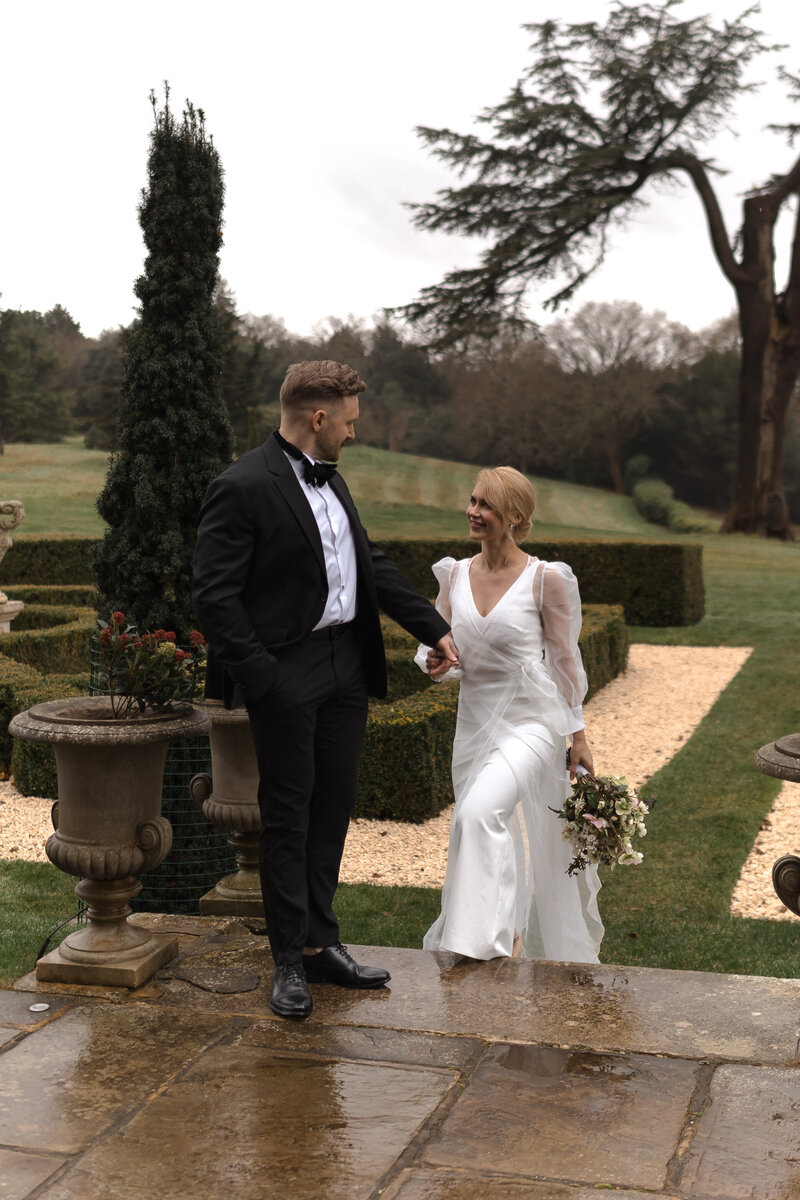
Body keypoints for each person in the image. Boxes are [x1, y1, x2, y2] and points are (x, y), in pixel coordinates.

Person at [193, 360, 458, 1019]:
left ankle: (320, 945)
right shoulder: (241, 486)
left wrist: (434, 627)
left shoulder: (334, 485)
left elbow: (367, 563)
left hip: (346, 668)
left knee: (332, 808)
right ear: (318, 418)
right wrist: (267, 681)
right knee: (287, 816)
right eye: (348, 421)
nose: (353, 433)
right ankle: (287, 962)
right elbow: (215, 601)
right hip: (286, 672)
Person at [417, 466, 604, 963]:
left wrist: (578, 736)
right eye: (473, 500)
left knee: (480, 813)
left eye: (486, 505)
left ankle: (500, 946)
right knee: (471, 822)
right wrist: (437, 663)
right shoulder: (453, 574)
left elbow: (566, 662)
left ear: (515, 517)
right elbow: (441, 651)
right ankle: (498, 936)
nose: (473, 511)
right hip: (474, 723)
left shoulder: (546, 579)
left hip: (532, 723)